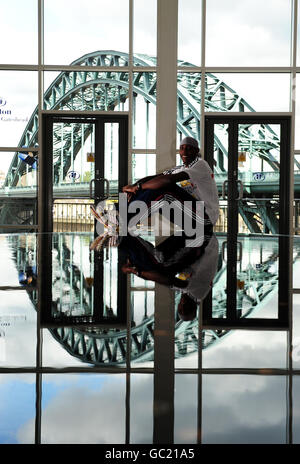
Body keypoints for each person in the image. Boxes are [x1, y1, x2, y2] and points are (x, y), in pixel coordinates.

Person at [122, 136, 219, 229]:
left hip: (205, 218)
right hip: (191, 214)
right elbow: (154, 178)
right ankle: (120, 212)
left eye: (189, 149)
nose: (184, 151)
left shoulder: (201, 164)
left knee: (166, 188)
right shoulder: (180, 168)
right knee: (155, 185)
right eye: (182, 148)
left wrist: (139, 187)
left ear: (196, 151)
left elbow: (168, 180)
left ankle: (125, 217)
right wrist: (133, 187)